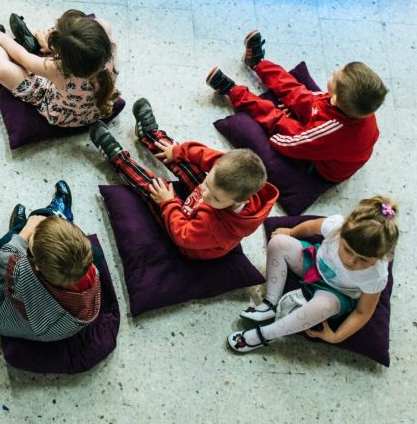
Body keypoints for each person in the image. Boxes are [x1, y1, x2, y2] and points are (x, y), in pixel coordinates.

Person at [89, 99, 276, 259]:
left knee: (156, 188)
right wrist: (177, 151)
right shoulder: (226, 172)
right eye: (208, 183)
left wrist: (168, 203)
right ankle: (151, 135)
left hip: (187, 235)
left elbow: (183, 235)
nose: (204, 193)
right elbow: (202, 154)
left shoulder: (217, 229)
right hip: (203, 216)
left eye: (215, 197)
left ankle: (117, 157)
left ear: (239, 201)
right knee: (184, 162)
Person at [206, 30, 386, 182]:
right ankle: (258, 63)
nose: (332, 73)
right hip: (326, 122)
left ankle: (232, 90)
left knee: (275, 117)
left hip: (321, 160)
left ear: (335, 99)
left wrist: (278, 130)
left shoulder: (330, 132)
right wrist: (298, 105)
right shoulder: (362, 105)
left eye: (334, 77)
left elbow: (290, 144)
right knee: (294, 89)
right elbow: (313, 99)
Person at [229, 196, 399, 352]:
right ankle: (271, 303)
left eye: (363, 259)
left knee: (322, 307)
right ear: (342, 232)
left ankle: (266, 334)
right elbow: (311, 226)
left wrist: (336, 336)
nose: (352, 261)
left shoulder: (376, 275)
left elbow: (363, 312)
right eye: (347, 249)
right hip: (313, 262)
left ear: (380, 257)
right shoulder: (336, 226)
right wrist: (291, 233)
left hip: (336, 293)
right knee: (278, 243)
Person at [0, 181, 101, 342]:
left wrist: (27, 230)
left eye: (33, 236)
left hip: (16, 322)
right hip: (60, 327)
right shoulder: (90, 268)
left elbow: (4, 256)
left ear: (37, 266)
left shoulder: (23, 272)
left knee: (8, 240)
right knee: (55, 231)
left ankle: (25, 224)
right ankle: (60, 214)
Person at [0, 10, 118, 128]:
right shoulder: (109, 42)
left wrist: (3, 40)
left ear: (60, 56)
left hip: (63, 113)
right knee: (73, 37)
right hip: (93, 111)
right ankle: (38, 41)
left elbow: (24, 58)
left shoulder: (57, 69)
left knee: (2, 70)